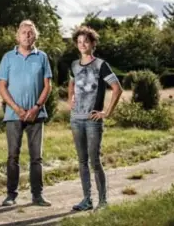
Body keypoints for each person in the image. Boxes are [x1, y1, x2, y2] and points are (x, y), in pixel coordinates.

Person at [0, 20, 52, 207]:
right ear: (17, 36)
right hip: (14, 115)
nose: (27, 35)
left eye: (30, 32)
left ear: (35, 36)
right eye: (24, 32)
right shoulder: (8, 58)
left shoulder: (42, 57)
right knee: (13, 156)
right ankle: (11, 195)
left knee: (36, 157)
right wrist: (17, 109)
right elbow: (2, 87)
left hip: (37, 115)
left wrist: (36, 107)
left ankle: (37, 196)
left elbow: (48, 86)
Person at [68, 26, 123, 211]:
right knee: (82, 161)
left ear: (93, 44)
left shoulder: (101, 65)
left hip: (93, 121)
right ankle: (86, 200)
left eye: (86, 41)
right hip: (76, 119)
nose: (82, 44)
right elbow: (71, 83)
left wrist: (106, 113)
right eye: (79, 42)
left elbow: (117, 88)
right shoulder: (74, 65)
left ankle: (103, 201)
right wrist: (70, 99)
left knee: (94, 161)